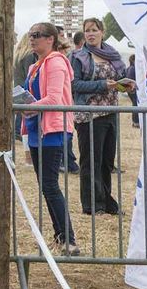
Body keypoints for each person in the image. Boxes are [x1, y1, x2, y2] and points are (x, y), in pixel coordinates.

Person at [22, 22, 80, 255]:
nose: (32, 39)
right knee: (45, 186)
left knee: (50, 185)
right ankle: (61, 236)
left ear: (51, 39)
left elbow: (55, 97)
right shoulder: (35, 66)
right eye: (30, 35)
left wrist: (29, 107)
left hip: (53, 129)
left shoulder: (56, 62)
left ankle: (69, 239)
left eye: (37, 35)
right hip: (37, 129)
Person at [70, 18, 125, 216]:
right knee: (91, 161)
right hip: (89, 114)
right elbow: (74, 85)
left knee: (107, 161)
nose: (90, 34)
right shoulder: (78, 56)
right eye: (87, 31)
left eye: (94, 30)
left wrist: (125, 84)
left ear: (102, 31)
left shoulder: (112, 54)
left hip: (111, 112)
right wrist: (102, 85)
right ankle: (92, 204)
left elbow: (118, 77)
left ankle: (106, 200)